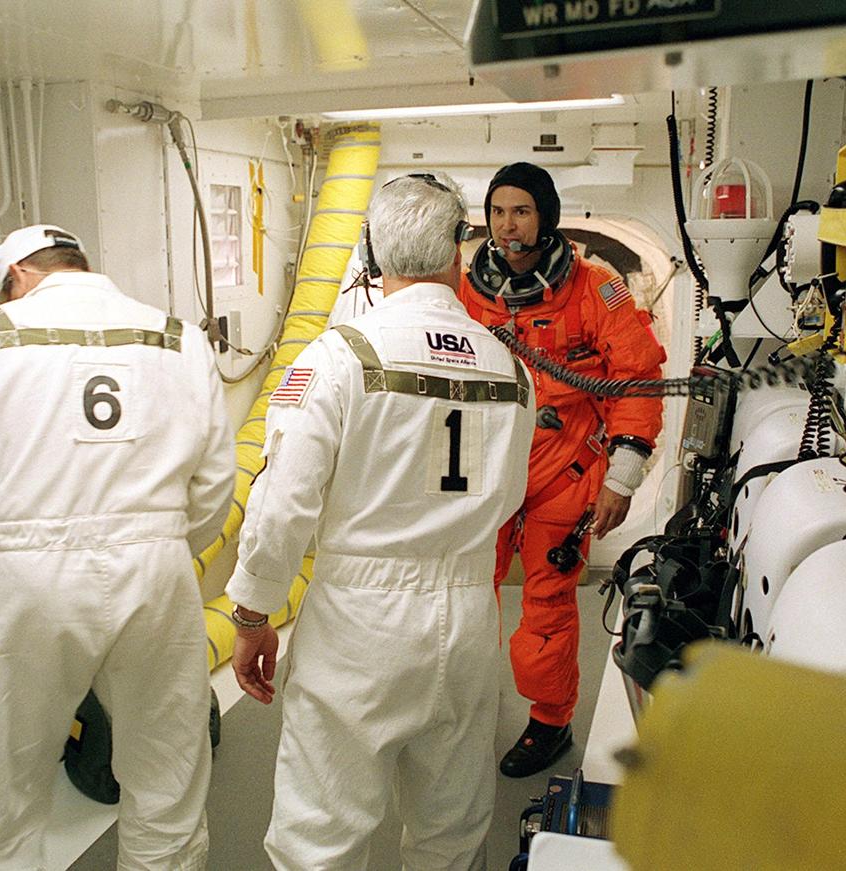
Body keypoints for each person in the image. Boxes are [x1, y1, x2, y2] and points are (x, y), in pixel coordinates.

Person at [226, 173, 534, 870]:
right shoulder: (512, 370)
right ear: (460, 251)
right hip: (468, 621)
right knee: (451, 833)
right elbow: (509, 494)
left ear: (370, 250)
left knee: (322, 836)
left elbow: (283, 508)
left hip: (361, 627)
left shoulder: (341, 357)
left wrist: (252, 616)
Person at [0, 224, 233, 870]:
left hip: (29, 576)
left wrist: (9, 540)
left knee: (5, 790)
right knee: (167, 775)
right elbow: (215, 482)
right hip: (156, 571)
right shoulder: (179, 338)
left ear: (20, 276)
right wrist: (163, 539)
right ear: (79, 265)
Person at [458, 162, 667, 778]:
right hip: (487, 469)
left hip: (564, 470)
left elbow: (638, 379)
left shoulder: (596, 287)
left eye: (520, 211)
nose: (507, 225)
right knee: (469, 591)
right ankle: (460, 705)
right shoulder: (467, 292)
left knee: (546, 602)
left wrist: (621, 477)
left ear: (545, 217)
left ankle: (550, 723)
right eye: (497, 212)